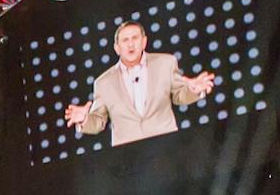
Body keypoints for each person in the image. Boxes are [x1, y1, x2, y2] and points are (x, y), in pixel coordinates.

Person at [63, 20, 216, 147]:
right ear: (117, 48)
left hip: (167, 146)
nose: (131, 45)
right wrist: (84, 119)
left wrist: (194, 89)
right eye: (125, 40)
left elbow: (179, 96)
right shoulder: (103, 83)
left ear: (144, 42)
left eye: (135, 38)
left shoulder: (165, 63)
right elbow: (98, 121)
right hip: (128, 157)